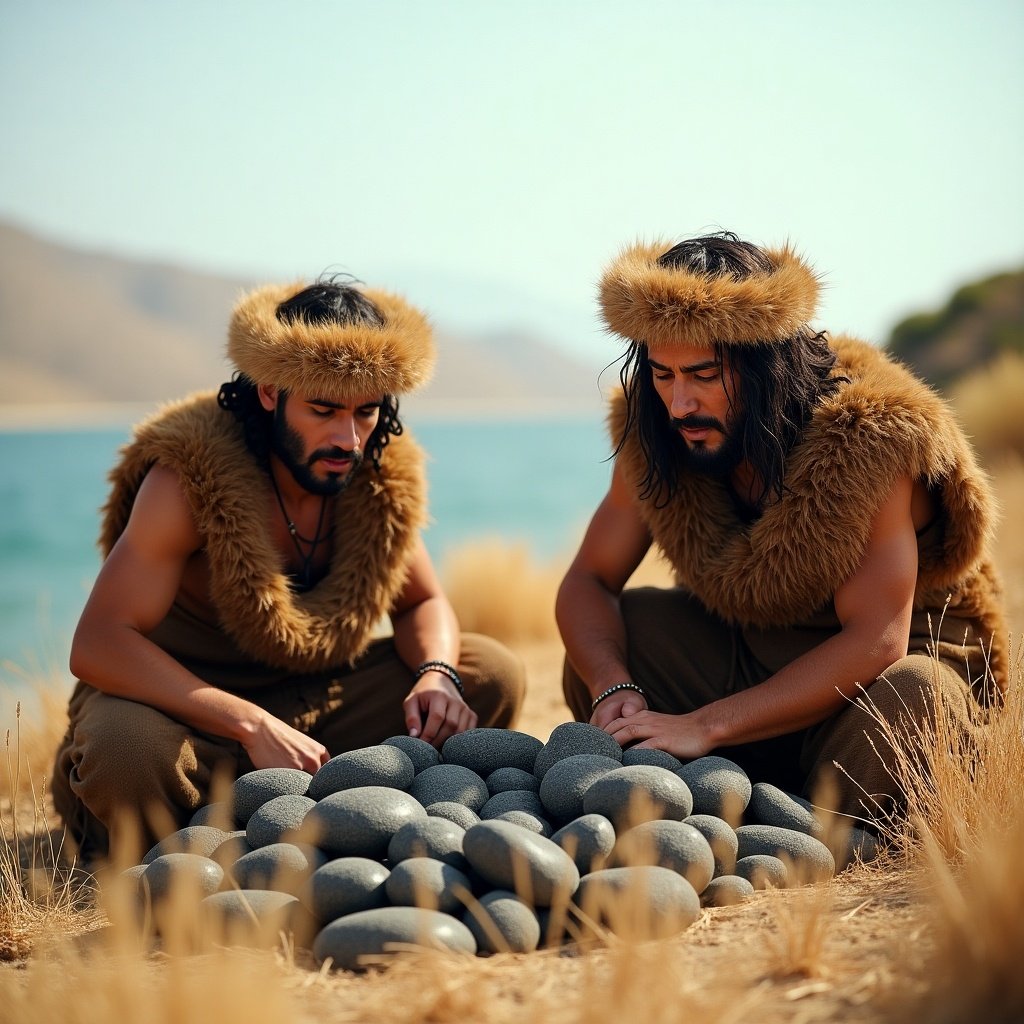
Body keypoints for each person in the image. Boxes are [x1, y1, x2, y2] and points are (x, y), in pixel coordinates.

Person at [53, 276, 524, 858]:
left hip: (316, 708)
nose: (346, 438)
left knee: (488, 672)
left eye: (365, 412)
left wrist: (435, 675)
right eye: (323, 410)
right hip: (187, 716)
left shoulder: (377, 476)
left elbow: (421, 603)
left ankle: (323, 812)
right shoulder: (187, 478)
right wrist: (247, 724)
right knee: (123, 752)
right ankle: (217, 841)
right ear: (271, 391)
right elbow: (98, 643)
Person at [557, 232, 1007, 822]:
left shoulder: (868, 439)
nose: (679, 404)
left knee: (919, 697)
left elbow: (877, 639)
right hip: (752, 661)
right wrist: (614, 683)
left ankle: (796, 805)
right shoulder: (655, 431)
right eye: (663, 375)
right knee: (618, 638)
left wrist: (706, 725)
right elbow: (589, 579)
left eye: (703, 374)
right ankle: (755, 792)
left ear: (765, 365)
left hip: (874, 683)